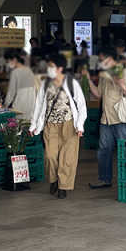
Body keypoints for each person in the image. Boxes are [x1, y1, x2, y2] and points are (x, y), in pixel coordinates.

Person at [30, 54, 86, 198]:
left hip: (69, 125)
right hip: (50, 124)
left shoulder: (71, 83)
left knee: (67, 158)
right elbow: (39, 105)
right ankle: (54, 180)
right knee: (50, 156)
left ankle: (63, 186)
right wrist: (34, 125)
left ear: (60, 68)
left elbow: (81, 105)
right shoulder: (45, 83)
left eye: (51, 67)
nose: (49, 69)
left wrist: (80, 126)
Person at [89, 47, 126, 189]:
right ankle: (104, 179)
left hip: (122, 119)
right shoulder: (104, 75)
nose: (103, 62)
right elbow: (98, 95)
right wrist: (88, 80)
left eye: (105, 60)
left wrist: (118, 80)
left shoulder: (125, 73)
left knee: (125, 151)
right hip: (106, 119)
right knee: (104, 149)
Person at [4, 48, 37, 120]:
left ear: (14, 59)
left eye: (8, 61)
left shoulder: (15, 72)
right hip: (31, 103)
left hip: (20, 103)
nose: (7, 63)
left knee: (17, 125)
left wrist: (5, 106)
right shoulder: (29, 69)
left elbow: (11, 92)